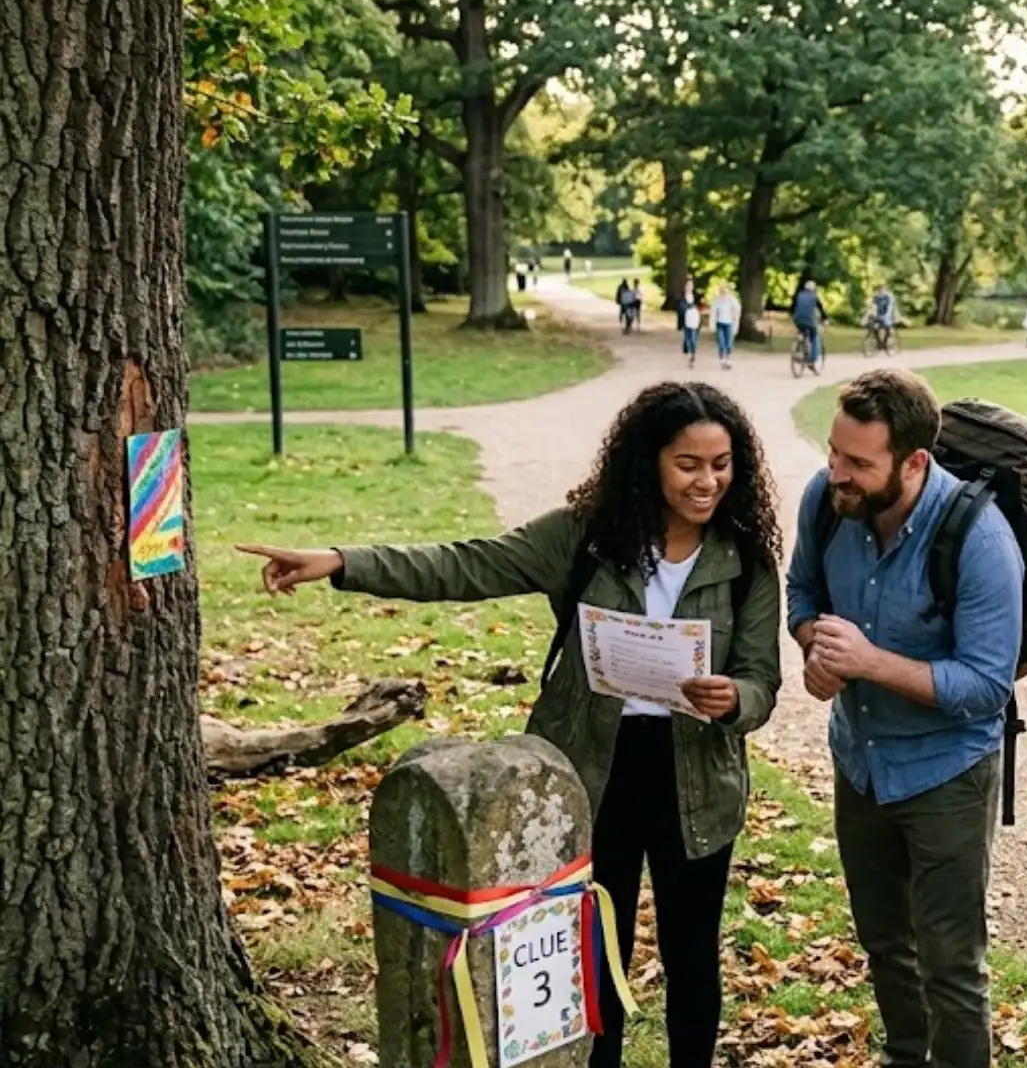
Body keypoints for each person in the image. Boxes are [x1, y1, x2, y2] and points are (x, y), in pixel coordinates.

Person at [237, 382, 785, 1067]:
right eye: (688, 464)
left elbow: (763, 680)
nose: (708, 481)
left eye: (722, 464)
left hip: (695, 777)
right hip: (589, 769)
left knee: (691, 953)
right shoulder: (587, 539)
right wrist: (343, 563)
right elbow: (468, 565)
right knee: (589, 944)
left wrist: (733, 697)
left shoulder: (745, 562)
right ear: (648, 462)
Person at [786, 369, 1025, 1068]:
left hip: (946, 775)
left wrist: (868, 662)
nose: (839, 473)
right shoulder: (827, 500)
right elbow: (803, 591)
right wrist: (815, 649)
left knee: (952, 965)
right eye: (835, 453)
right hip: (859, 764)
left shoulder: (980, 540)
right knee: (885, 941)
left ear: (915, 463)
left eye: (859, 462)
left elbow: (987, 685)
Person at [794, 279, 826, 366]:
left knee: (802, 331)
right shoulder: (814, 297)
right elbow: (821, 309)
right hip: (809, 322)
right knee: (815, 336)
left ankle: (798, 347)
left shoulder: (799, 295)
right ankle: (812, 360)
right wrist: (825, 319)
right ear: (814, 289)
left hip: (797, 320)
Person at [712, 282, 740, 370]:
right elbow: (713, 312)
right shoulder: (717, 300)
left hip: (729, 323)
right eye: (722, 291)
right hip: (720, 323)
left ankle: (728, 359)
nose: (723, 293)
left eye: (725, 291)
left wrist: (735, 322)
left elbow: (737, 311)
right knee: (721, 342)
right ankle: (722, 359)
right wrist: (712, 324)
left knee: (729, 343)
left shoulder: (732, 300)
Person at [867, 282, 900, 350]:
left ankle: (885, 343)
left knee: (887, 328)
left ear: (886, 290)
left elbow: (890, 308)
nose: (881, 291)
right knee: (874, 327)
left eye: (883, 290)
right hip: (880, 315)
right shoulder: (876, 297)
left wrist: (887, 317)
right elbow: (873, 306)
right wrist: (870, 313)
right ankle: (879, 342)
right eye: (880, 290)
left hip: (889, 315)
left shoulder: (889, 297)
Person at [676, 279, 701, 368]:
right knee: (687, 339)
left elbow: (700, 307)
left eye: (691, 285)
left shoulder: (696, 296)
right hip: (686, 321)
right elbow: (679, 309)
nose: (689, 287)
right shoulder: (682, 297)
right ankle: (688, 353)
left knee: (693, 339)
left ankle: (692, 356)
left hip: (695, 320)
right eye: (688, 285)